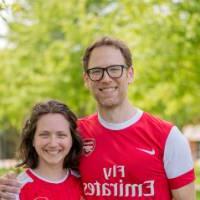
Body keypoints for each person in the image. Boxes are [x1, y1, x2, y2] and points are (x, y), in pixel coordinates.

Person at [0, 37, 196, 200]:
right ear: (86, 79)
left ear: (130, 74)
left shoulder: (168, 137)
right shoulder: (74, 134)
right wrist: (8, 185)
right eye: (96, 71)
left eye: (115, 69)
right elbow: (46, 171)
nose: (106, 78)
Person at [15, 100, 84, 200]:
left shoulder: (85, 183)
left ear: (72, 139)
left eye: (61, 135)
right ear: (32, 140)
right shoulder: (16, 189)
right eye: (44, 135)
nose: (53, 144)